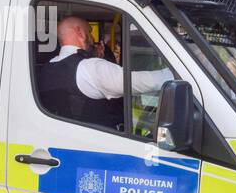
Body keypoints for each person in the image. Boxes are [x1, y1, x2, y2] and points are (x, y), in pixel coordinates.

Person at [36, 15, 171, 129]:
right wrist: (175, 74)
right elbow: (143, 82)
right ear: (81, 33)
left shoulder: (46, 68)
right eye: (89, 32)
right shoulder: (91, 67)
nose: (92, 38)